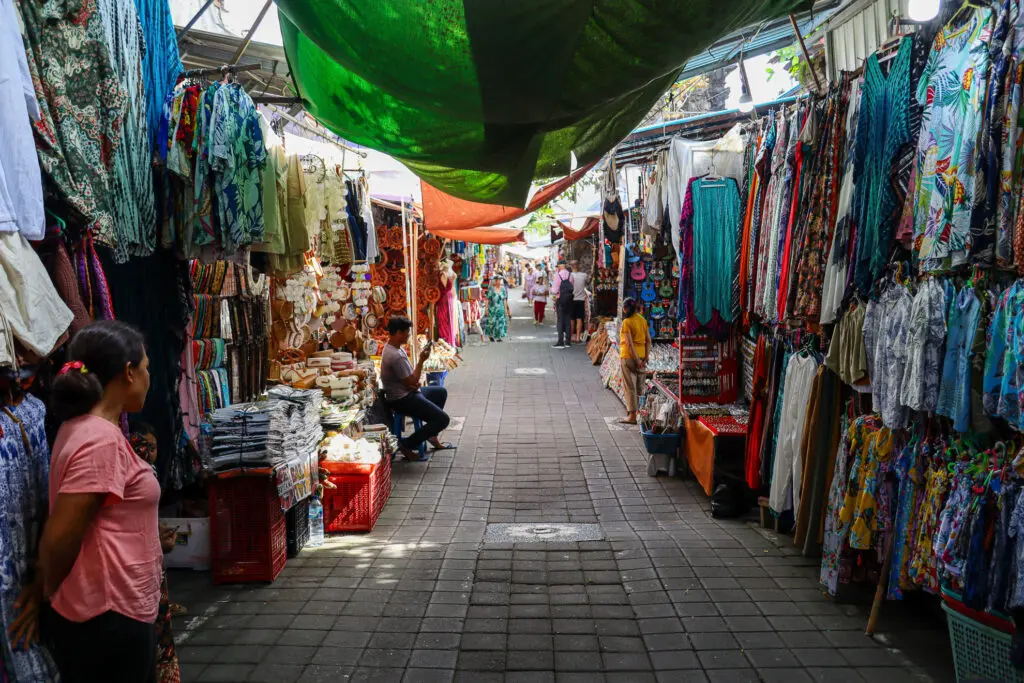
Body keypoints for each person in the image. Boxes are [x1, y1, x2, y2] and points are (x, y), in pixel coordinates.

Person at [32, 321, 163, 682]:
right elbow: (60, 536)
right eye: (147, 368)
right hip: (107, 614)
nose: (150, 378)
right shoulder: (99, 439)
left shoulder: (86, 429)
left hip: (109, 610)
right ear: (129, 373)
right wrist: (46, 593)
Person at [127, 421, 181, 683]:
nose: (148, 451)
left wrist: (156, 534)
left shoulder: (147, 469)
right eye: (144, 446)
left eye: (153, 447)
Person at [380, 316, 454, 459]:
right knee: (443, 420)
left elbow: (411, 381)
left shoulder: (393, 347)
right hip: (402, 399)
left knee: (440, 392)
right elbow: (412, 381)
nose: (409, 335)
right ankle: (407, 444)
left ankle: (431, 435)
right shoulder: (395, 356)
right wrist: (421, 360)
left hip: (408, 392)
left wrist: (414, 383)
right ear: (399, 333)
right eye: (407, 332)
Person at [619, 298, 650, 424]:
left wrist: (636, 360)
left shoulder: (627, 322)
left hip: (629, 357)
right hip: (642, 356)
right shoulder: (642, 320)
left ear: (625, 309)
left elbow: (629, 343)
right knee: (640, 386)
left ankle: (632, 416)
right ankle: (640, 413)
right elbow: (648, 340)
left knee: (630, 386)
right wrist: (646, 357)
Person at [551, 261, 574, 348]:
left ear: (560, 266)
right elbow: (572, 287)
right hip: (569, 300)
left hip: (560, 300)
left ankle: (560, 342)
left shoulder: (558, 275)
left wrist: (553, 293)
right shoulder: (570, 275)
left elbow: (554, 290)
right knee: (568, 320)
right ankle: (568, 341)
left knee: (560, 320)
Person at [484, 275, 510, 342]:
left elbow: (504, 300)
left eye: (500, 280)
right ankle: (491, 335)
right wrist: (486, 308)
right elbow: (487, 299)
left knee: (500, 322)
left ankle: (499, 337)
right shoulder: (491, 289)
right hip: (492, 309)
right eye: (498, 280)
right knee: (492, 323)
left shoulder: (503, 289)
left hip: (500, 309)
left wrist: (506, 309)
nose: (500, 281)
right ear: (495, 281)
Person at [569, 260, 589, 343]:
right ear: (578, 265)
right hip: (580, 300)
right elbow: (588, 283)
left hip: (571, 300)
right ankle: (577, 338)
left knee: (571, 319)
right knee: (579, 319)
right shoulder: (584, 275)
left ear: (571, 266)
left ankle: (570, 337)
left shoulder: (569, 276)